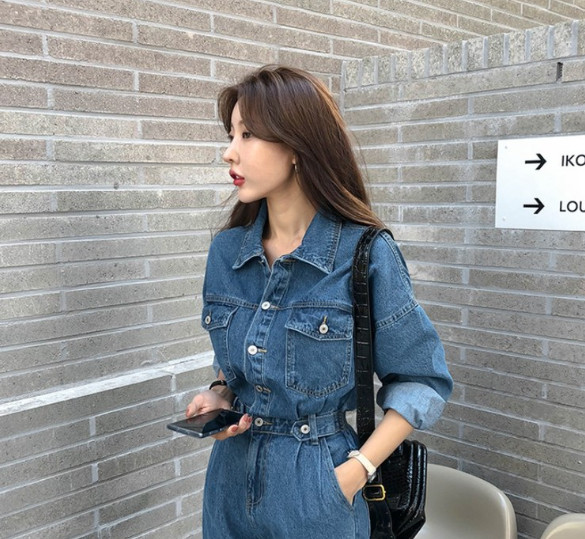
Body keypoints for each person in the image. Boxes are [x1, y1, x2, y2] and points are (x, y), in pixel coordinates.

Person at [186, 64, 453, 538]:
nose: (229, 151)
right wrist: (220, 395)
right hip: (228, 483)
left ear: (296, 145)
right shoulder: (227, 252)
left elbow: (421, 378)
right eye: (231, 135)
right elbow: (236, 365)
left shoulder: (365, 254)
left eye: (248, 134)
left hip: (319, 486)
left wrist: (355, 472)